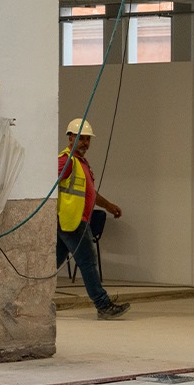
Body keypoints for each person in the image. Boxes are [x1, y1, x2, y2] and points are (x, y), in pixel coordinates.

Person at [56, 117, 130, 321]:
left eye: (88, 140)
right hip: (73, 222)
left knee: (50, 264)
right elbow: (47, 182)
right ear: (70, 138)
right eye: (81, 139)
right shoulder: (67, 161)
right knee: (88, 262)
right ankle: (103, 304)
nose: (85, 143)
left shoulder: (81, 163)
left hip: (72, 222)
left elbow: (90, 193)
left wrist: (108, 206)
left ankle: (27, 299)